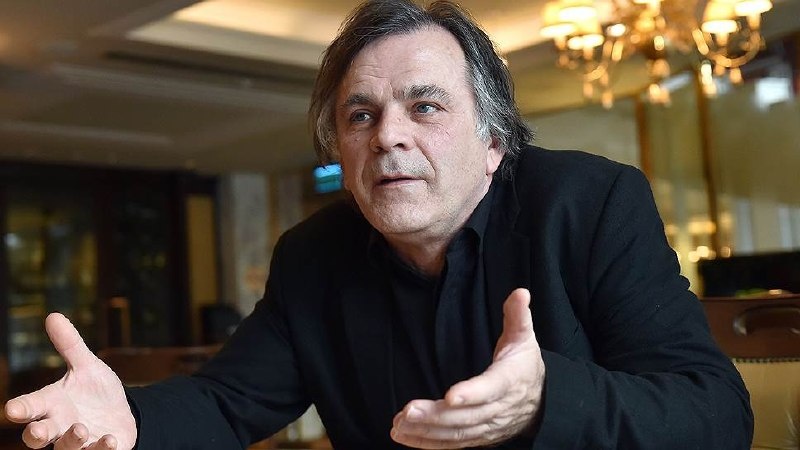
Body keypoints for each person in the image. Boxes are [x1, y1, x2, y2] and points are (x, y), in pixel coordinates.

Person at [4, 0, 752, 449]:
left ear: (494, 141)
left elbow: (716, 413)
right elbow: (228, 402)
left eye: (425, 107)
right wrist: (131, 421)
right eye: (360, 115)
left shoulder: (590, 204)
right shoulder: (312, 255)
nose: (388, 135)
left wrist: (545, 399)